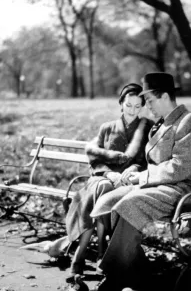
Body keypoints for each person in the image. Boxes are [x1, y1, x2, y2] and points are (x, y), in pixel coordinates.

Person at [90, 72, 191, 291]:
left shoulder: (189, 121)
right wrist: (136, 172)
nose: (147, 106)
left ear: (164, 97)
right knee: (107, 201)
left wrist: (142, 177)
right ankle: (138, 271)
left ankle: (115, 275)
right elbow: (151, 162)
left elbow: (180, 167)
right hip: (160, 186)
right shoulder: (162, 124)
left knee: (129, 204)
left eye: (150, 100)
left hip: (185, 189)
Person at [65, 83, 153, 281]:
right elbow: (95, 159)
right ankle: (99, 251)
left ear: (142, 107)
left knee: (105, 193)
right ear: (121, 103)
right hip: (102, 178)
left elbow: (148, 160)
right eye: (128, 105)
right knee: (102, 188)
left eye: (138, 106)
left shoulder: (146, 129)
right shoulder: (106, 128)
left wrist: (134, 169)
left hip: (129, 182)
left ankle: (83, 256)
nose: (132, 110)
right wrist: (107, 173)